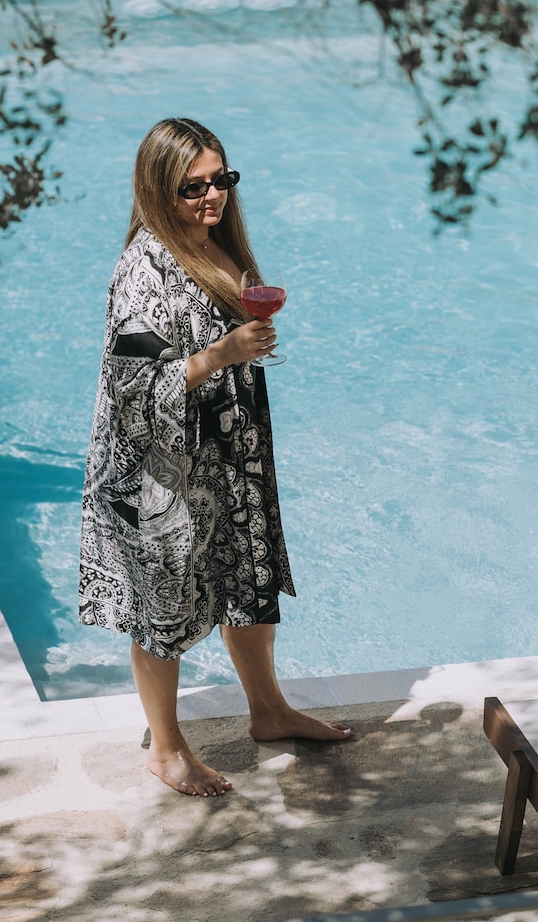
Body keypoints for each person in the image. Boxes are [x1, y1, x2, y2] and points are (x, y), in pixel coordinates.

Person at [78, 115, 352, 797]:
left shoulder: (214, 242)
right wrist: (223, 354)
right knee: (162, 612)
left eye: (221, 180)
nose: (211, 196)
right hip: (161, 473)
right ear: (155, 191)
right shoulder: (143, 270)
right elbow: (132, 391)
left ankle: (269, 711)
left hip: (227, 455)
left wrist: (244, 342)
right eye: (192, 187)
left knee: (248, 588)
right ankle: (166, 750)